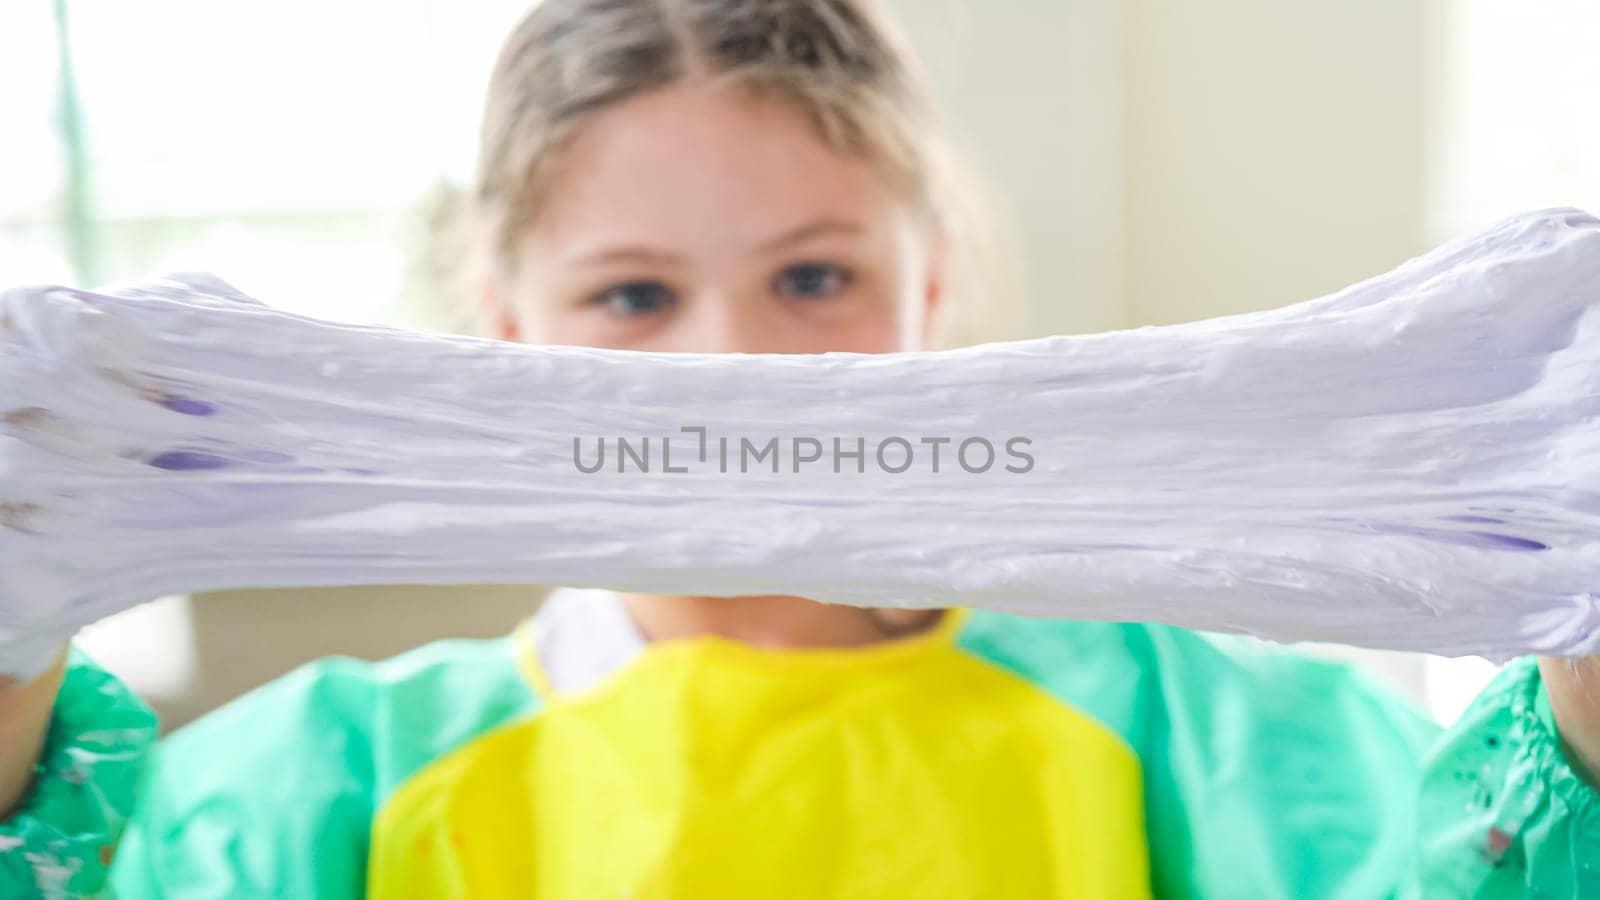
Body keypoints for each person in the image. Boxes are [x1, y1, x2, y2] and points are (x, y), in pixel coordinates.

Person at [3, 1, 1599, 896]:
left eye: (814, 278)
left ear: (935, 290)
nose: (735, 367)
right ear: (492, 326)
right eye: (632, 294)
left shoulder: (1243, 749)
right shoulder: (317, 802)